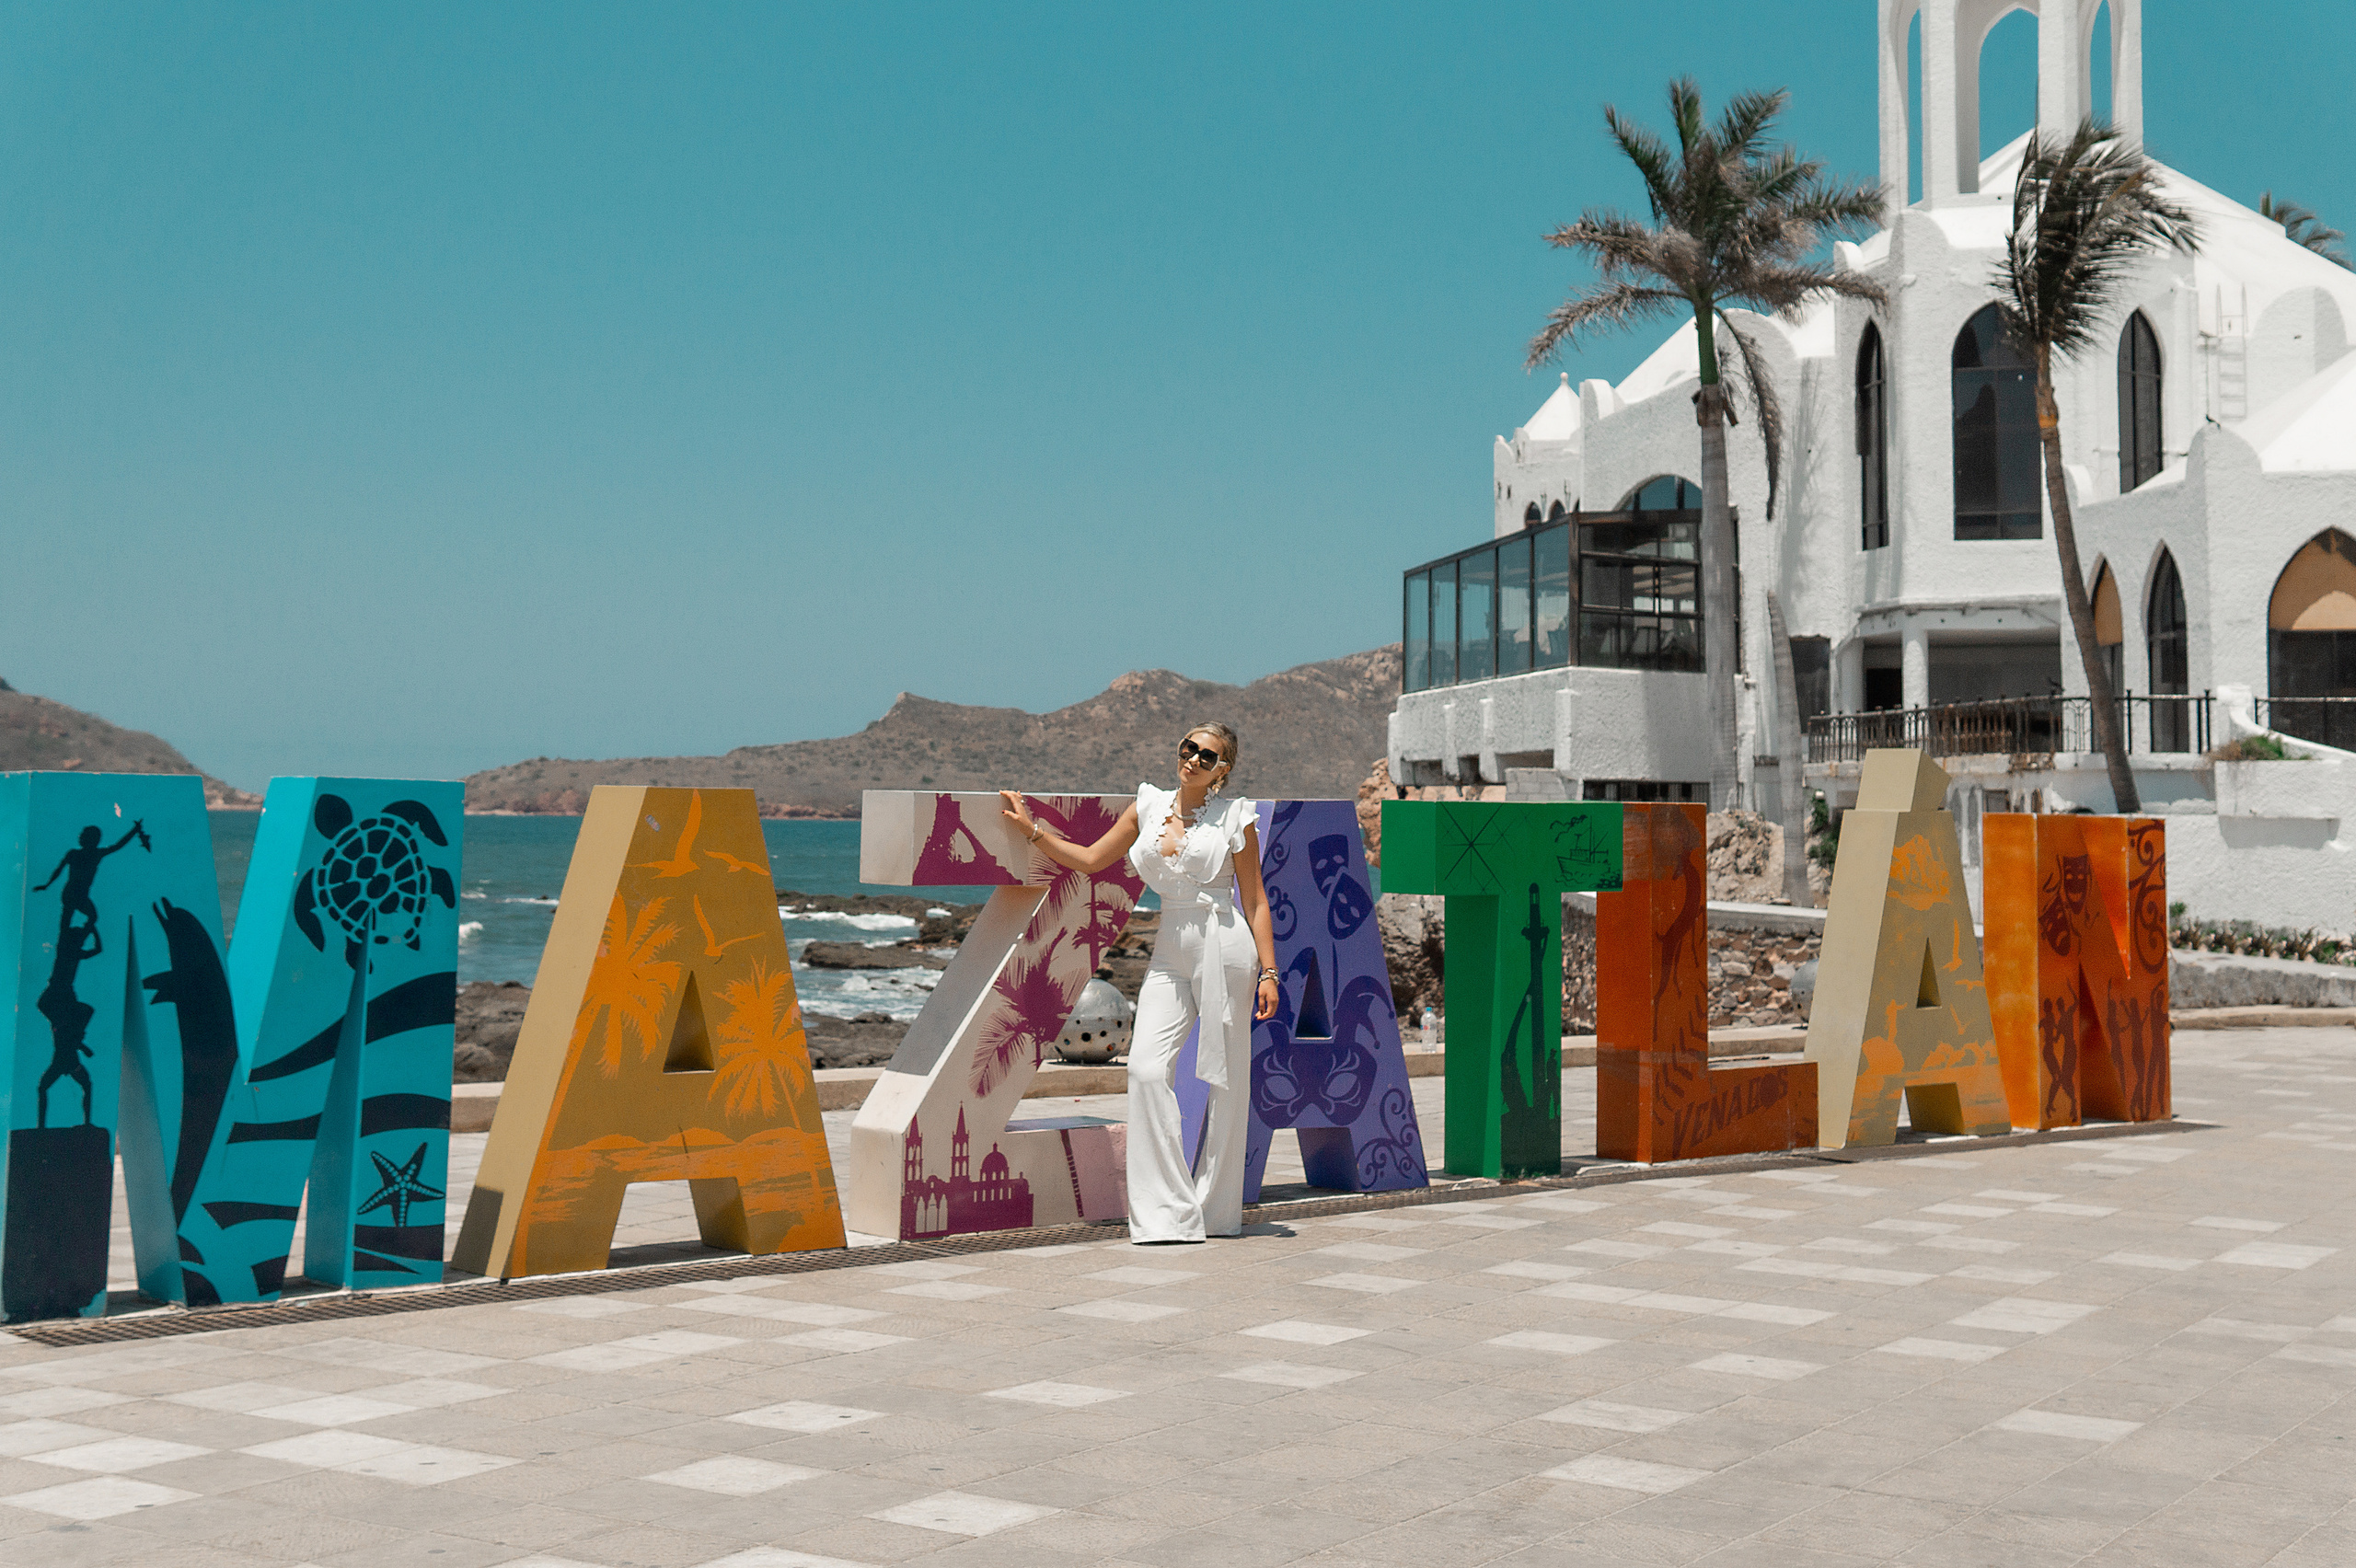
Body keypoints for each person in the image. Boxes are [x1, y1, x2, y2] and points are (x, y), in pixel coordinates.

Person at [999, 723, 1277, 1242]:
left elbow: (1255, 899)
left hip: (1227, 947)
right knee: (1146, 1069)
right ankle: (1169, 1212)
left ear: (1224, 769)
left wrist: (1269, 970)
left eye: (1207, 755)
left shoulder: (1237, 817)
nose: (1193, 759)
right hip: (1171, 947)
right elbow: (1090, 860)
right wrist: (1032, 831)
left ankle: (1215, 1212)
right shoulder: (1147, 805)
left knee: (1226, 1083)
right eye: (1187, 748)